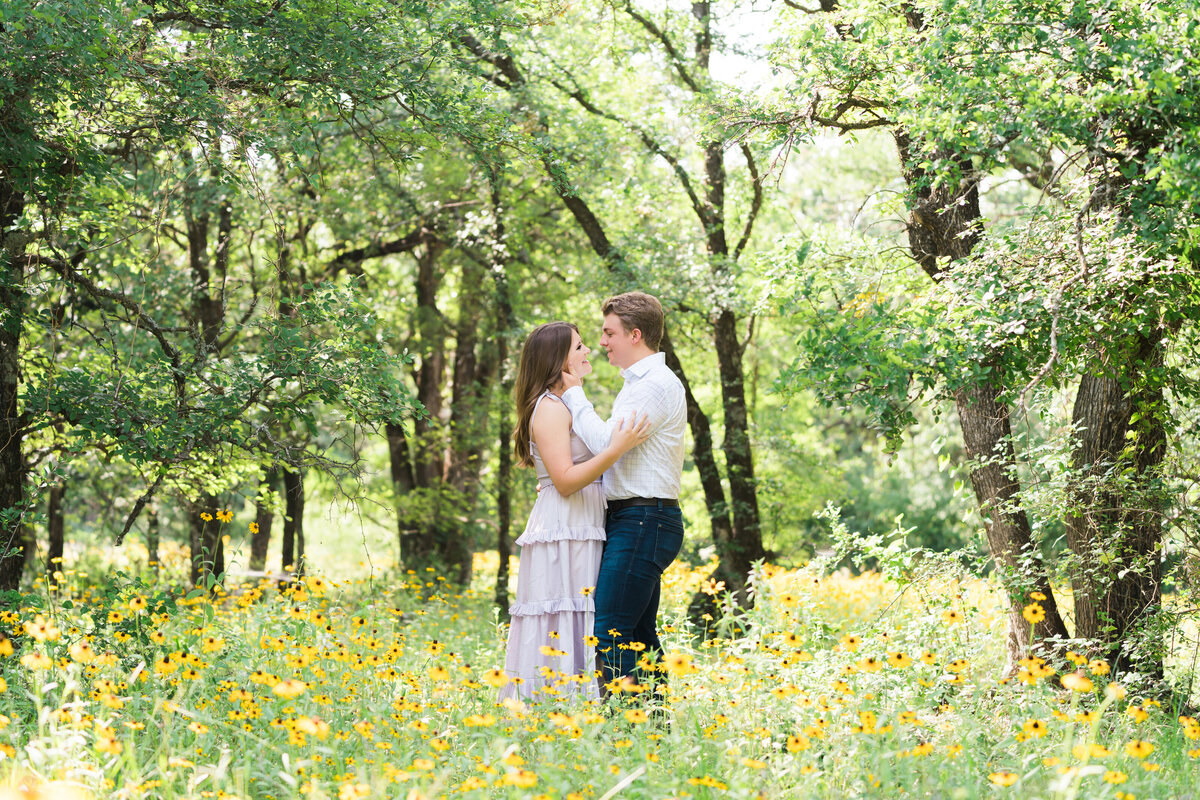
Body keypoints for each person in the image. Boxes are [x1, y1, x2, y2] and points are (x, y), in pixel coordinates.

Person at [500, 321, 651, 702]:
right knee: (564, 614)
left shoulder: (566, 402)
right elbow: (566, 480)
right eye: (580, 347)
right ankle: (554, 706)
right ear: (558, 359)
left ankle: (586, 708)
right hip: (565, 525)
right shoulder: (549, 408)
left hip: (583, 521)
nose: (589, 351)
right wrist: (618, 448)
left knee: (586, 615)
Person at [559, 292, 687, 696]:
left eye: (608, 332)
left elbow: (603, 444)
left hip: (644, 520)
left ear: (635, 335)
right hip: (638, 519)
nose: (601, 342)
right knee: (637, 635)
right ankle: (655, 730)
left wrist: (574, 392)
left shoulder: (654, 386)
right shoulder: (639, 385)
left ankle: (626, 729)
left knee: (611, 628)